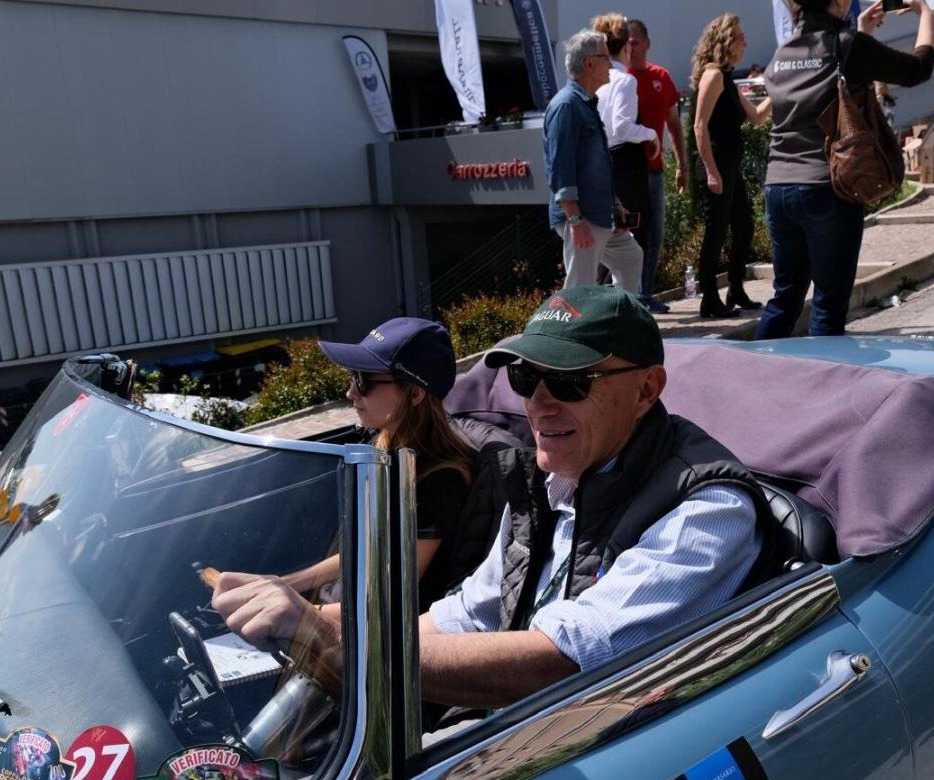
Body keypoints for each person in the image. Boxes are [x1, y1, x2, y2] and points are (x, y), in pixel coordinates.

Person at [212, 286, 774, 710]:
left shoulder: (707, 509)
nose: (540, 405)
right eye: (528, 380)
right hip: (521, 730)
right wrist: (304, 623)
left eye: (571, 382)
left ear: (647, 389)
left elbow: (567, 661)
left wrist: (326, 633)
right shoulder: (541, 484)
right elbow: (465, 616)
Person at [218, 318, 474, 617]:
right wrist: (285, 584)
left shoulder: (442, 480)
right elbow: (363, 552)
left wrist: (299, 614)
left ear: (415, 394)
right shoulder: (383, 450)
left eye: (364, 380)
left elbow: (389, 598)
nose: (351, 392)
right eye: (353, 377)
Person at [754, 0, 934, 340]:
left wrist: (858, 33)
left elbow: (820, 73)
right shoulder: (848, 46)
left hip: (778, 188)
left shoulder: (782, 54)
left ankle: (755, 378)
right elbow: (917, 69)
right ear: (838, 2)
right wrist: (925, 13)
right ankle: (826, 386)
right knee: (828, 304)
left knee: (785, 299)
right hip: (828, 189)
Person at [543, 28, 643, 291]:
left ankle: (620, 324)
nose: (611, 64)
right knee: (580, 289)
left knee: (630, 258)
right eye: (605, 57)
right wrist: (575, 221)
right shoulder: (566, 106)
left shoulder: (586, 103)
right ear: (589, 62)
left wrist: (615, 203)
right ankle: (570, 332)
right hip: (583, 216)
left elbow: (598, 164)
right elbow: (560, 168)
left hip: (600, 213)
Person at [690, 13, 772, 319]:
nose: (745, 41)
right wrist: (711, 170)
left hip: (729, 164)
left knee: (743, 226)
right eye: (740, 36)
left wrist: (777, 90)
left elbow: (756, 117)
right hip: (716, 164)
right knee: (716, 232)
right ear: (726, 41)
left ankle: (735, 289)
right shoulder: (712, 76)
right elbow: (699, 127)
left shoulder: (727, 77)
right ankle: (709, 299)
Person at [589, 14, 659, 292]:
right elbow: (622, 126)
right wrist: (651, 134)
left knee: (608, 240)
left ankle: (602, 300)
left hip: (601, 161)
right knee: (631, 239)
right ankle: (626, 302)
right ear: (625, 47)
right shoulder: (624, 81)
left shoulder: (595, 81)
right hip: (626, 164)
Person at [626, 17, 687, 314]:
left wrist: (682, 165)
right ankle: (624, 300)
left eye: (635, 42)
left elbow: (674, 124)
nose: (631, 48)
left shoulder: (660, 77)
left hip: (655, 170)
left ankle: (645, 295)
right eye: (626, 43)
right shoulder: (616, 79)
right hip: (624, 176)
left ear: (647, 43)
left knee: (654, 234)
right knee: (625, 237)